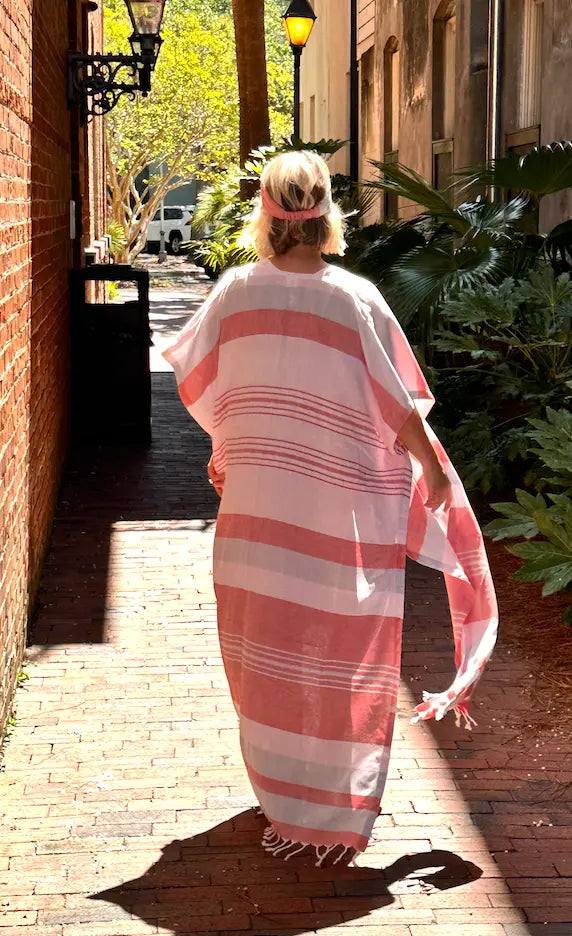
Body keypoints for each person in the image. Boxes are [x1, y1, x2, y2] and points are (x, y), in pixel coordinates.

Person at [163, 151, 498, 864]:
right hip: (334, 527)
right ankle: (328, 802)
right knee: (342, 658)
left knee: (263, 661)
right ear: (326, 215)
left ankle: (283, 796)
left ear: (265, 211)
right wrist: (432, 470)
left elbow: (204, 386)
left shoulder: (234, 293)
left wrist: (230, 449)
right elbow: (394, 402)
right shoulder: (352, 299)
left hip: (255, 523)